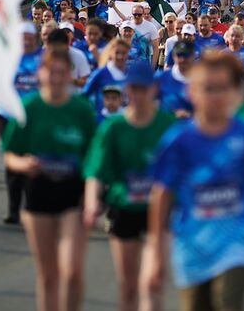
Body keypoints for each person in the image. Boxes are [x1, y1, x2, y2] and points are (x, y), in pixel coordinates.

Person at [148, 52, 244, 311]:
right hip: (192, 246)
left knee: (228, 301)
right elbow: (162, 194)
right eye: (207, 89)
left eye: (223, 88)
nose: (215, 96)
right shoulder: (178, 141)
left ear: (235, 93)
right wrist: (155, 254)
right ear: (192, 93)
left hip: (237, 242)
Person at [4, 46, 97, 311]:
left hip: (72, 196)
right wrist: (24, 163)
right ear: (40, 73)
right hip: (38, 195)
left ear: (70, 75)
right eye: (51, 72)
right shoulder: (29, 107)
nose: (56, 78)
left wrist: (92, 196)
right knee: (47, 275)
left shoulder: (81, 110)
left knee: (72, 272)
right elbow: (10, 155)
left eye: (62, 72)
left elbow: (93, 158)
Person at [84, 61, 175, 311]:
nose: (138, 94)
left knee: (153, 282)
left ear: (154, 89)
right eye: (133, 88)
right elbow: (96, 171)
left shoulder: (167, 126)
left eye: (143, 88)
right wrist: (91, 203)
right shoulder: (114, 128)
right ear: (127, 90)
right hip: (123, 209)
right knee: (128, 285)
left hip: (159, 212)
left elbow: (185, 171)